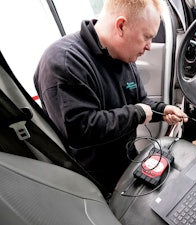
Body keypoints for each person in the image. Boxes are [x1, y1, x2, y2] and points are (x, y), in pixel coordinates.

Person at [34, 0, 187, 194]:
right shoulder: (64, 62)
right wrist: (137, 113)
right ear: (121, 26)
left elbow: (139, 101)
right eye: (146, 37)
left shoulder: (124, 55)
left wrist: (162, 110)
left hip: (126, 161)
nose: (149, 46)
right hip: (91, 179)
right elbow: (81, 129)